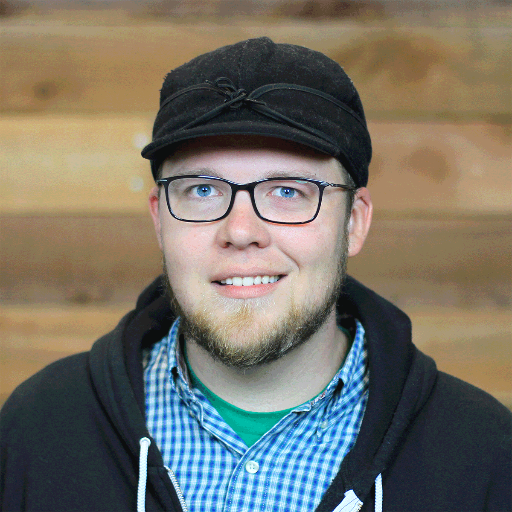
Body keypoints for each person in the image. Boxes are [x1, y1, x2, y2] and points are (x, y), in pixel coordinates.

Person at [1, 37, 510, 512]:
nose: (241, 231)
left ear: (354, 222)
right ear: (159, 219)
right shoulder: (37, 429)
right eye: (202, 190)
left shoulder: (485, 457)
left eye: (288, 191)